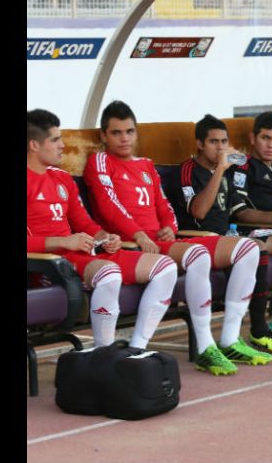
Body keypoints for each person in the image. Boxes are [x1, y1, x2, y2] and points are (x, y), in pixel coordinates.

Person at [84, 100, 270, 376]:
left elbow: (163, 204)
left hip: (160, 241)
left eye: (130, 132)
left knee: (247, 249)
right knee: (198, 255)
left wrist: (170, 226)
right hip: (129, 244)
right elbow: (109, 206)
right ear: (104, 136)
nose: (125, 138)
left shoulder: (146, 165)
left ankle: (229, 339)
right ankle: (188, 347)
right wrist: (137, 234)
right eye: (117, 132)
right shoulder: (100, 161)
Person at [27, 109, 177, 351]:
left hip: (82, 253)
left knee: (165, 267)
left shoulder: (62, 179)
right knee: (109, 273)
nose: (62, 146)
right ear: (34, 145)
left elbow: (85, 224)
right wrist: (64, 242)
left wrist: (105, 237)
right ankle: (103, 354)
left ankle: (136, 347)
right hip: (50, 264)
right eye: (55, 139)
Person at [166, 113, 272, 354]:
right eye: (213, 142)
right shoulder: (188, 170)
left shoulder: (227, 171)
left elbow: (235, 213)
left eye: (223, 142)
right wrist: (220, 169)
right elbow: (198, 212)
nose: (220, 148)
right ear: (199, 144)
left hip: (228, 236)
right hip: (197, 240)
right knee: (255, 248)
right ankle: (258, 330)